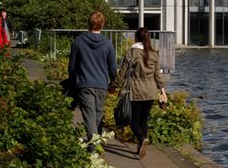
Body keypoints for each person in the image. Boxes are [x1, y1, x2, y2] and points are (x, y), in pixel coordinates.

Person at [112, 27, 166, 159]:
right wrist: (163, 90)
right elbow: (158, 75)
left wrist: (113, 85)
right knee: (143, 119)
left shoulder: (131, 53)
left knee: (133, 121)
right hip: (150, 91)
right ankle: (141, 146)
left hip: (135, 90)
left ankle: (142, 139)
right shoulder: (154, 54)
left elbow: (122, 73)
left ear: (136, 38)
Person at [68, 11, 117, 145]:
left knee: (89, 115)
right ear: (102, 25)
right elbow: (112, 67)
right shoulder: (108, 44)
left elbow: (72, 65)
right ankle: (95, 143)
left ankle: (93, 145)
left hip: (84, 83)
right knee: (98, 115)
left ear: (88, 23)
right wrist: (114, 83)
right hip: (101, 83)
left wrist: (71, 81)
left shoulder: (78, 41)